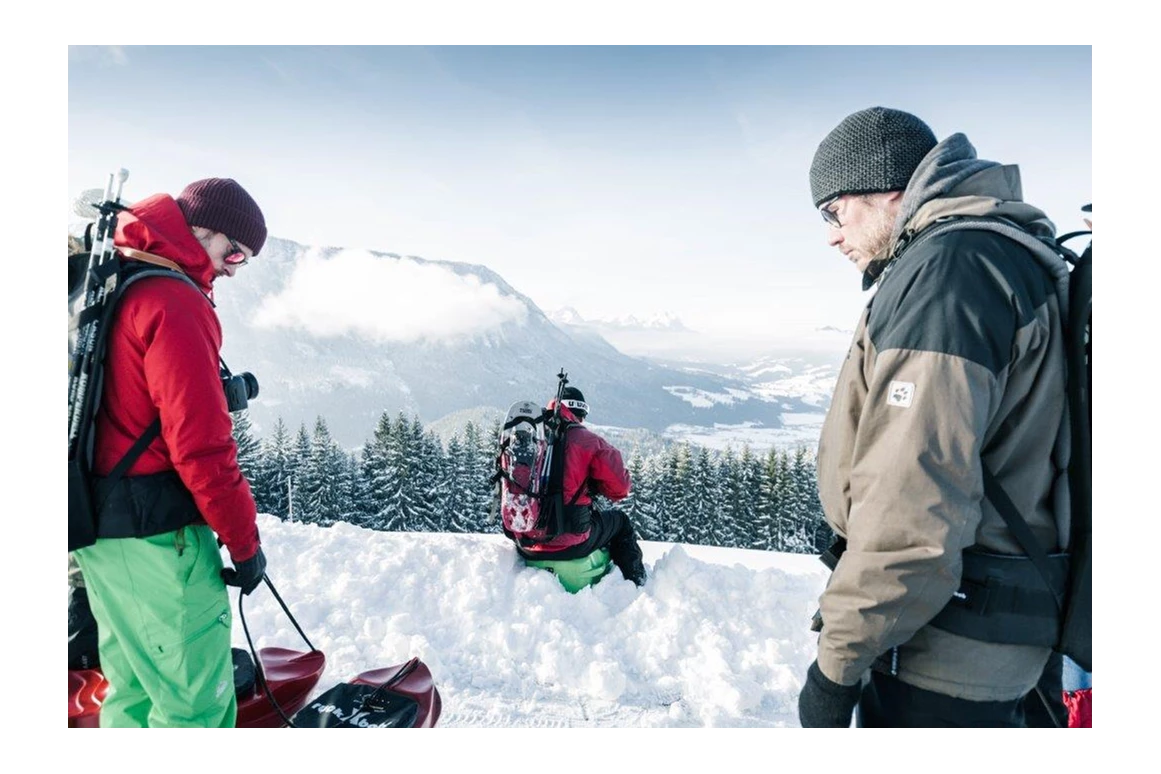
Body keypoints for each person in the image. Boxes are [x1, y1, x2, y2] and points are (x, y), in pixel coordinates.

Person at [796, 107, 1071, 728]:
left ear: (885, 186)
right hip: (1000, 634)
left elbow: (911, 509)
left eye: (833, 212)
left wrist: (834, 669)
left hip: (945, 659)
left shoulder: (949, 276)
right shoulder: (1002, 255)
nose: (831, 236)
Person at [70, 177, 270, 727]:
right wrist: (244, 542)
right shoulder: (174, 301)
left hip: (99, 537)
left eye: (244, 261)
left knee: (132, 693)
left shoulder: (113, 277)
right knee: (194, 708)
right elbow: (202, 447)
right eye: (234, 251)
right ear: (202, 229)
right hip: (160, 541)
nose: (233, 267)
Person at [506, 386, 647, 587]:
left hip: (526, 542)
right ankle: (636, 584)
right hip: (571, 543)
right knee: (620, 522)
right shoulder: (588, 442)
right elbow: (620, 489)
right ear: (579, 413)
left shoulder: (528, 437)